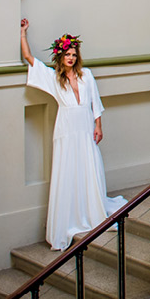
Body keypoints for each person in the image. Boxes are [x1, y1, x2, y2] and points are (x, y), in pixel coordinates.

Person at [20, 18, 127, 252]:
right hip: (66, 128)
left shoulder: (86, 75)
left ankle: (91, 209)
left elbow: (95, 101)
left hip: (85, 124)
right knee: (68, 169)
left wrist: (98, 125)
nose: (71, 58)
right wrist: (23, 33)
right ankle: (70, 218)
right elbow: (30, 59)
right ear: (60, 56)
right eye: (67, 54)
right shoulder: (52, 77)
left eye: (74, 54)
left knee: (89, 165)